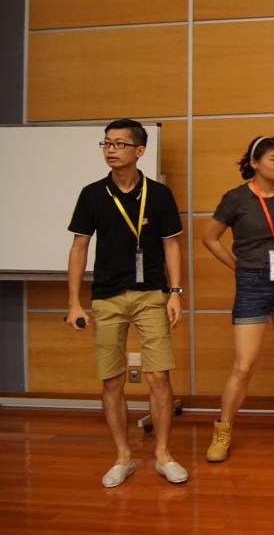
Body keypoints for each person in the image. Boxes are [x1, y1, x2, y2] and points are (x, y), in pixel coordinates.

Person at [66, 118, 188, 487]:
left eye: (119, 144)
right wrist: (74, 302)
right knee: (112, 380)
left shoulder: (159, 194)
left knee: (159, 376)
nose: (111, 150)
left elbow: (171, 244)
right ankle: (123, 457)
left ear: (140, 151)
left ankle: (163, 455)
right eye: (106, 143)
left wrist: (175, 292)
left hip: (151, 294)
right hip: (106, 296)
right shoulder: (92, 194)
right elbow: (80, 247)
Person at [201, 136, 274, 462]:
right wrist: (237, 266)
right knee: (244, 366)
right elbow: (209, 238)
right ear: (255, 163)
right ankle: (222, 430)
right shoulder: (236, 199)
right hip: (252, 284)